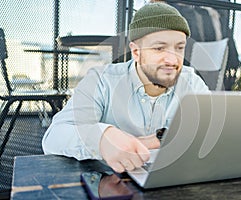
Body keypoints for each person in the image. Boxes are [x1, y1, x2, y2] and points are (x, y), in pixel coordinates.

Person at [42, 2, 209, 173]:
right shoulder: (102, 80)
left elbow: (211, 130)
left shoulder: (192, 83)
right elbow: (54, 136)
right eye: (159, 48)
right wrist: (102, 138)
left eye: (179, 48)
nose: (173, 60)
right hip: (109, 182)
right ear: (136, 52)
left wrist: (161, 137)